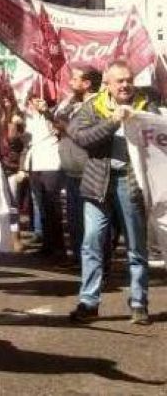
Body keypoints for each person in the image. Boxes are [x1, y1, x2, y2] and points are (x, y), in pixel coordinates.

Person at [67, 60, 159, 325]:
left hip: (130, 183)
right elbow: (81, 137)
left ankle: (139, 302)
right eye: (119, 81)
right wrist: (112, 121)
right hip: (98, 184)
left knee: (135, 246)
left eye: (129, 79)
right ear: (107, 83)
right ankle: (89, 302)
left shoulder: (145, 105)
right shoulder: (93, 106)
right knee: (92, 242)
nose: (126, 85)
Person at [54, 67, 102, 264]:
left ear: (87, 83)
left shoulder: (97, 105)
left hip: (88, 172)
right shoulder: (74, 103)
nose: (70, 82)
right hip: (71, 171)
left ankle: (96, 263)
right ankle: (78, 258)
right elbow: (61, 122)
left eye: (75, 78)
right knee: (74, 221)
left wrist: (66, 127)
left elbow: (85, 135)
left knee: (91, 224)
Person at [24, 94, 65, 263]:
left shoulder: (54, 113)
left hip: (50, 163)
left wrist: (47, 112)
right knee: (42, 207)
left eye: (35, 98)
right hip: (35, 163)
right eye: (30, 99)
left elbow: (58, 128)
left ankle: (59, 248)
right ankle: (47, 245)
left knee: (52, 206)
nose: (32, 102)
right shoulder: (29, 118)